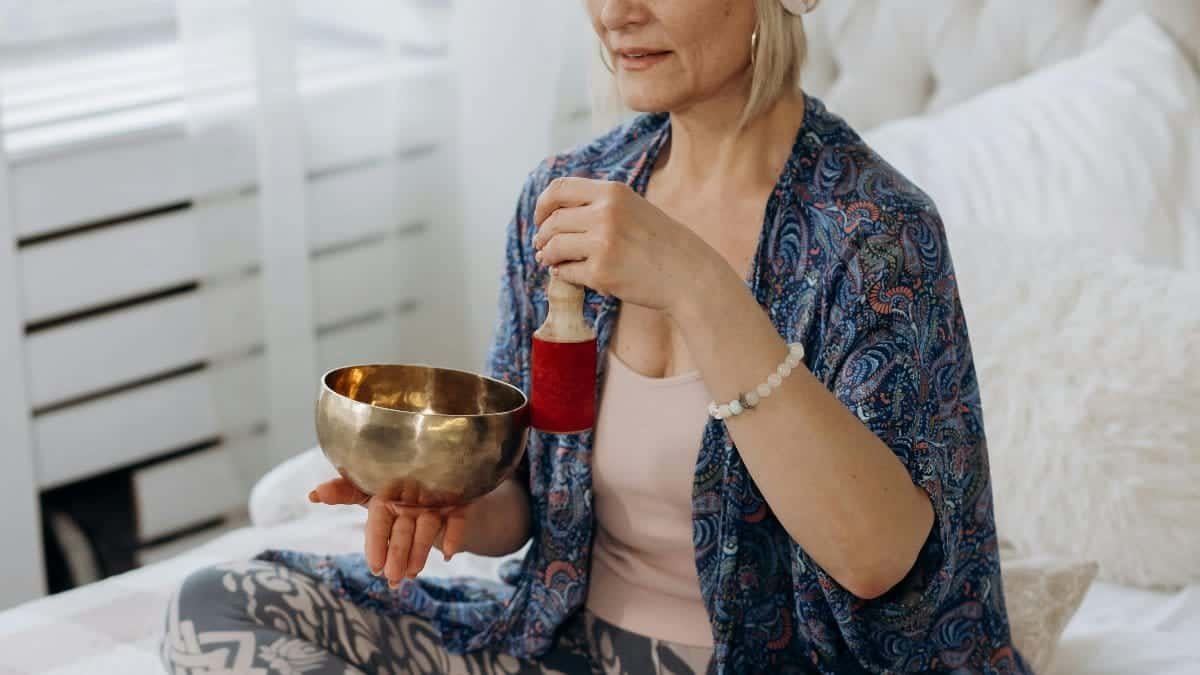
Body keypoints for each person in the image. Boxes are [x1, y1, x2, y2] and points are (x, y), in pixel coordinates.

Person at [162, 0, 1030, 672]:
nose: (615, 10)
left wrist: (694, 282)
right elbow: (528, 505)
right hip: (564, 646)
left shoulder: (876, 233)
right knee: (221, 601)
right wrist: (456, 498)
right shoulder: (573, 195)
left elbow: (877, 558)